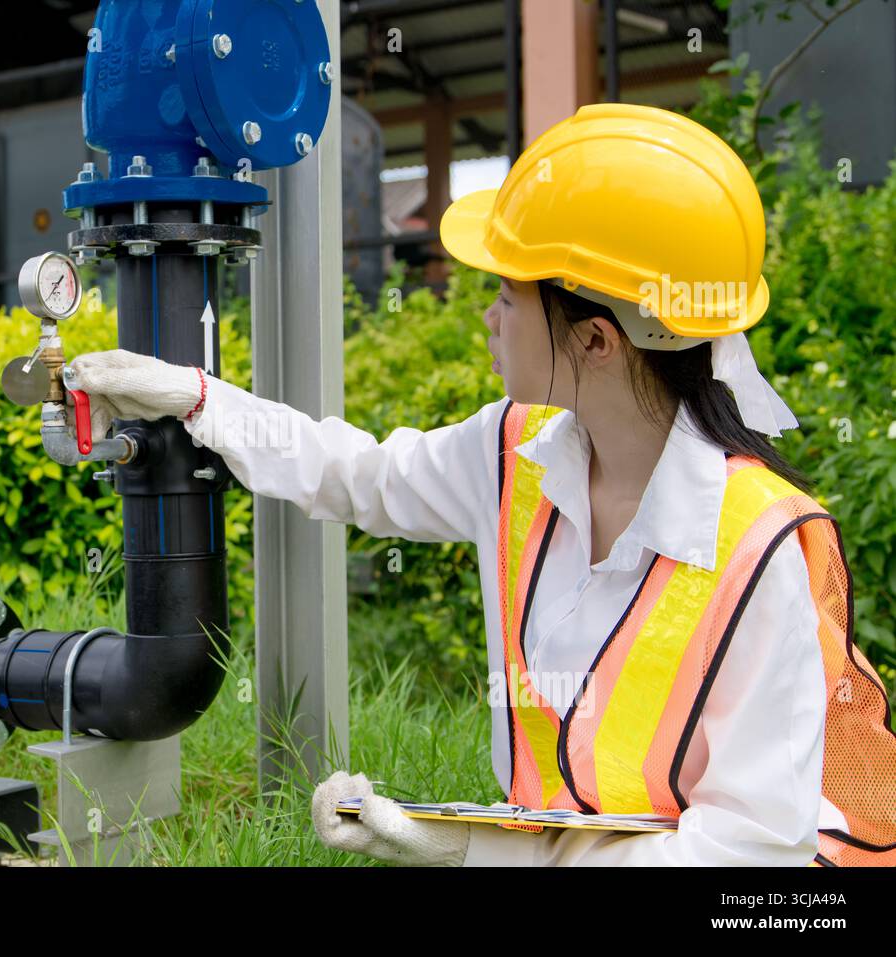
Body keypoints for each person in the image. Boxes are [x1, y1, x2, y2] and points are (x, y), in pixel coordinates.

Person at [66, 104, 896, 866]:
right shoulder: (516, 450)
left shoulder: (761, 550)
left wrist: (477, 846)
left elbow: (750, 856)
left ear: (598, 339)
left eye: (505, 294)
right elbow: (359, 473)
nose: (488, 319)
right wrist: (199, 399)